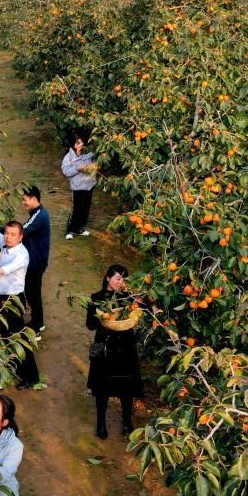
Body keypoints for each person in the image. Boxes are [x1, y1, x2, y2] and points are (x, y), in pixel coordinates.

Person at [0, 186, 50, 335]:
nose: (23, 202)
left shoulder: (40, 215)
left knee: (32, 295)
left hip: (36, 263)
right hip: (30, 264)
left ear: (34, 198)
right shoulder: (8, 241)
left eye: (25, 199)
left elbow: (23, 231)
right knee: (30, 294)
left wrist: (6, 231)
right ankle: (37, 324)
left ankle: (36, 327)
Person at [0, 217, 42, 389]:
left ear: (20, 237)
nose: (8, 237)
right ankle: (16, 367)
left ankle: (31, 376)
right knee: (6, 335)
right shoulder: (5, 243)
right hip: (1, 299)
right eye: (7, 233)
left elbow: (12, 267)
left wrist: (0, 270)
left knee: (17, 337)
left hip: (13, 300)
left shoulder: (22, 254)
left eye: (13, 234)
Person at [86, 264, 143, 439]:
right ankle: (101, 423)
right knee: (101, 387)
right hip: (103, 344)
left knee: (127, 388)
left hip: (126, 345)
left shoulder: (130, 298)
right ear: (108, 277)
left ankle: (127, 422)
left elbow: (142, 312)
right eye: (118, 278)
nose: (121, 282)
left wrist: (137, 301)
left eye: (124, 280)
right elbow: (90, 325)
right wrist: (100, 317)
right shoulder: (96, 297)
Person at [60, 129, 97, 240]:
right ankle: (70, 230)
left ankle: (80, 228)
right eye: (78, 143)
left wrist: (94, 166)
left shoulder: (89, 153)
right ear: (73, 144)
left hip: (89, 185)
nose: (81, 145)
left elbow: (96, 163)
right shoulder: (69, 158)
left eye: (81, 142)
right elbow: (65, 172)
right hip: (77, 187)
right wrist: (78, 168)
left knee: (86, 208)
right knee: (76, 209)